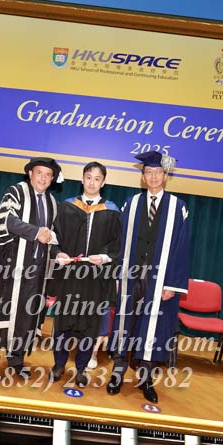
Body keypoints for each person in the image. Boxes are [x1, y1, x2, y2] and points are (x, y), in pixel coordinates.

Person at [107, 151, 190, 404]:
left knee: (153, 327)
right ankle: (117, 373)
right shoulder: (130, 204)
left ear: (165, 176)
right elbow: (119, 242)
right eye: (148, 172)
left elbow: (182, 248)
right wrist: (118, 275)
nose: (153, 177)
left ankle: (146, 379)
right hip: (131, 276)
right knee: (125, 324)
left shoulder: (178, 207)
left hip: (160, 279)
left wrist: (172, 284)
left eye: (158, 172)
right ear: (143, 177)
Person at [0, 157, 62, 380]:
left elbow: (52, 236)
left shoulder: (52, 203)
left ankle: (17, 360)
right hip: (9, 267)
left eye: (48, 175)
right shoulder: (16, 192)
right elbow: (8, 221)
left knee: (26, 315)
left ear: (52, 179)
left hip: (36, 271)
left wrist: (58, 251)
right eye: (39, 173)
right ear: (30, 173)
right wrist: (36, 232)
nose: (43, 178)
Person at [50, 161, 121, 387]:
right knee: (62, 323)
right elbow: (54, 238)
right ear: (82, 179)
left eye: (97, 179)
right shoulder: (67, 207)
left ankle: (81, 368)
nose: (92, 182)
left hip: (95, 279)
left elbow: (118, 246)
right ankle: (59, 364)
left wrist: (105, 258)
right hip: (69, 276)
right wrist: (58, 253)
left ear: (103, 182)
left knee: (89, 326)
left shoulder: (112, 211)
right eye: (88, 177)